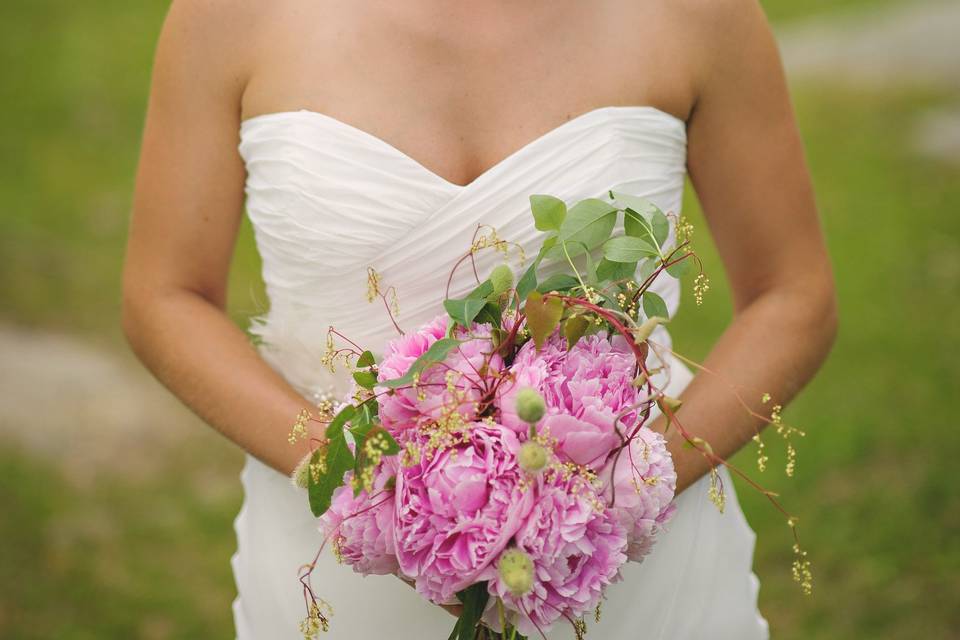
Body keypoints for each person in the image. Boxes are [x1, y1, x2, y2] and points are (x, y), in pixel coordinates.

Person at [122, 1, 837, 637]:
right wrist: (364, 486)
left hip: (635, 583)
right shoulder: (226, 15)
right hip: (337, 580)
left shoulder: (700, 14)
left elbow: (792, 295)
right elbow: (166, 295)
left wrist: (616, 496)